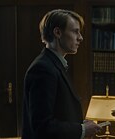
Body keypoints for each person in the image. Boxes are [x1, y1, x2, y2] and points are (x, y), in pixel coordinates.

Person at [22, 9, 101, 139]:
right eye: (75, 31)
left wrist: (80, 125)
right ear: (57, 32)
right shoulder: (43, 68)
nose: (80, 38)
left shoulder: (53, 64)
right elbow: (42, 126)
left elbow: (59, 113)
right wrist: (81, 130)